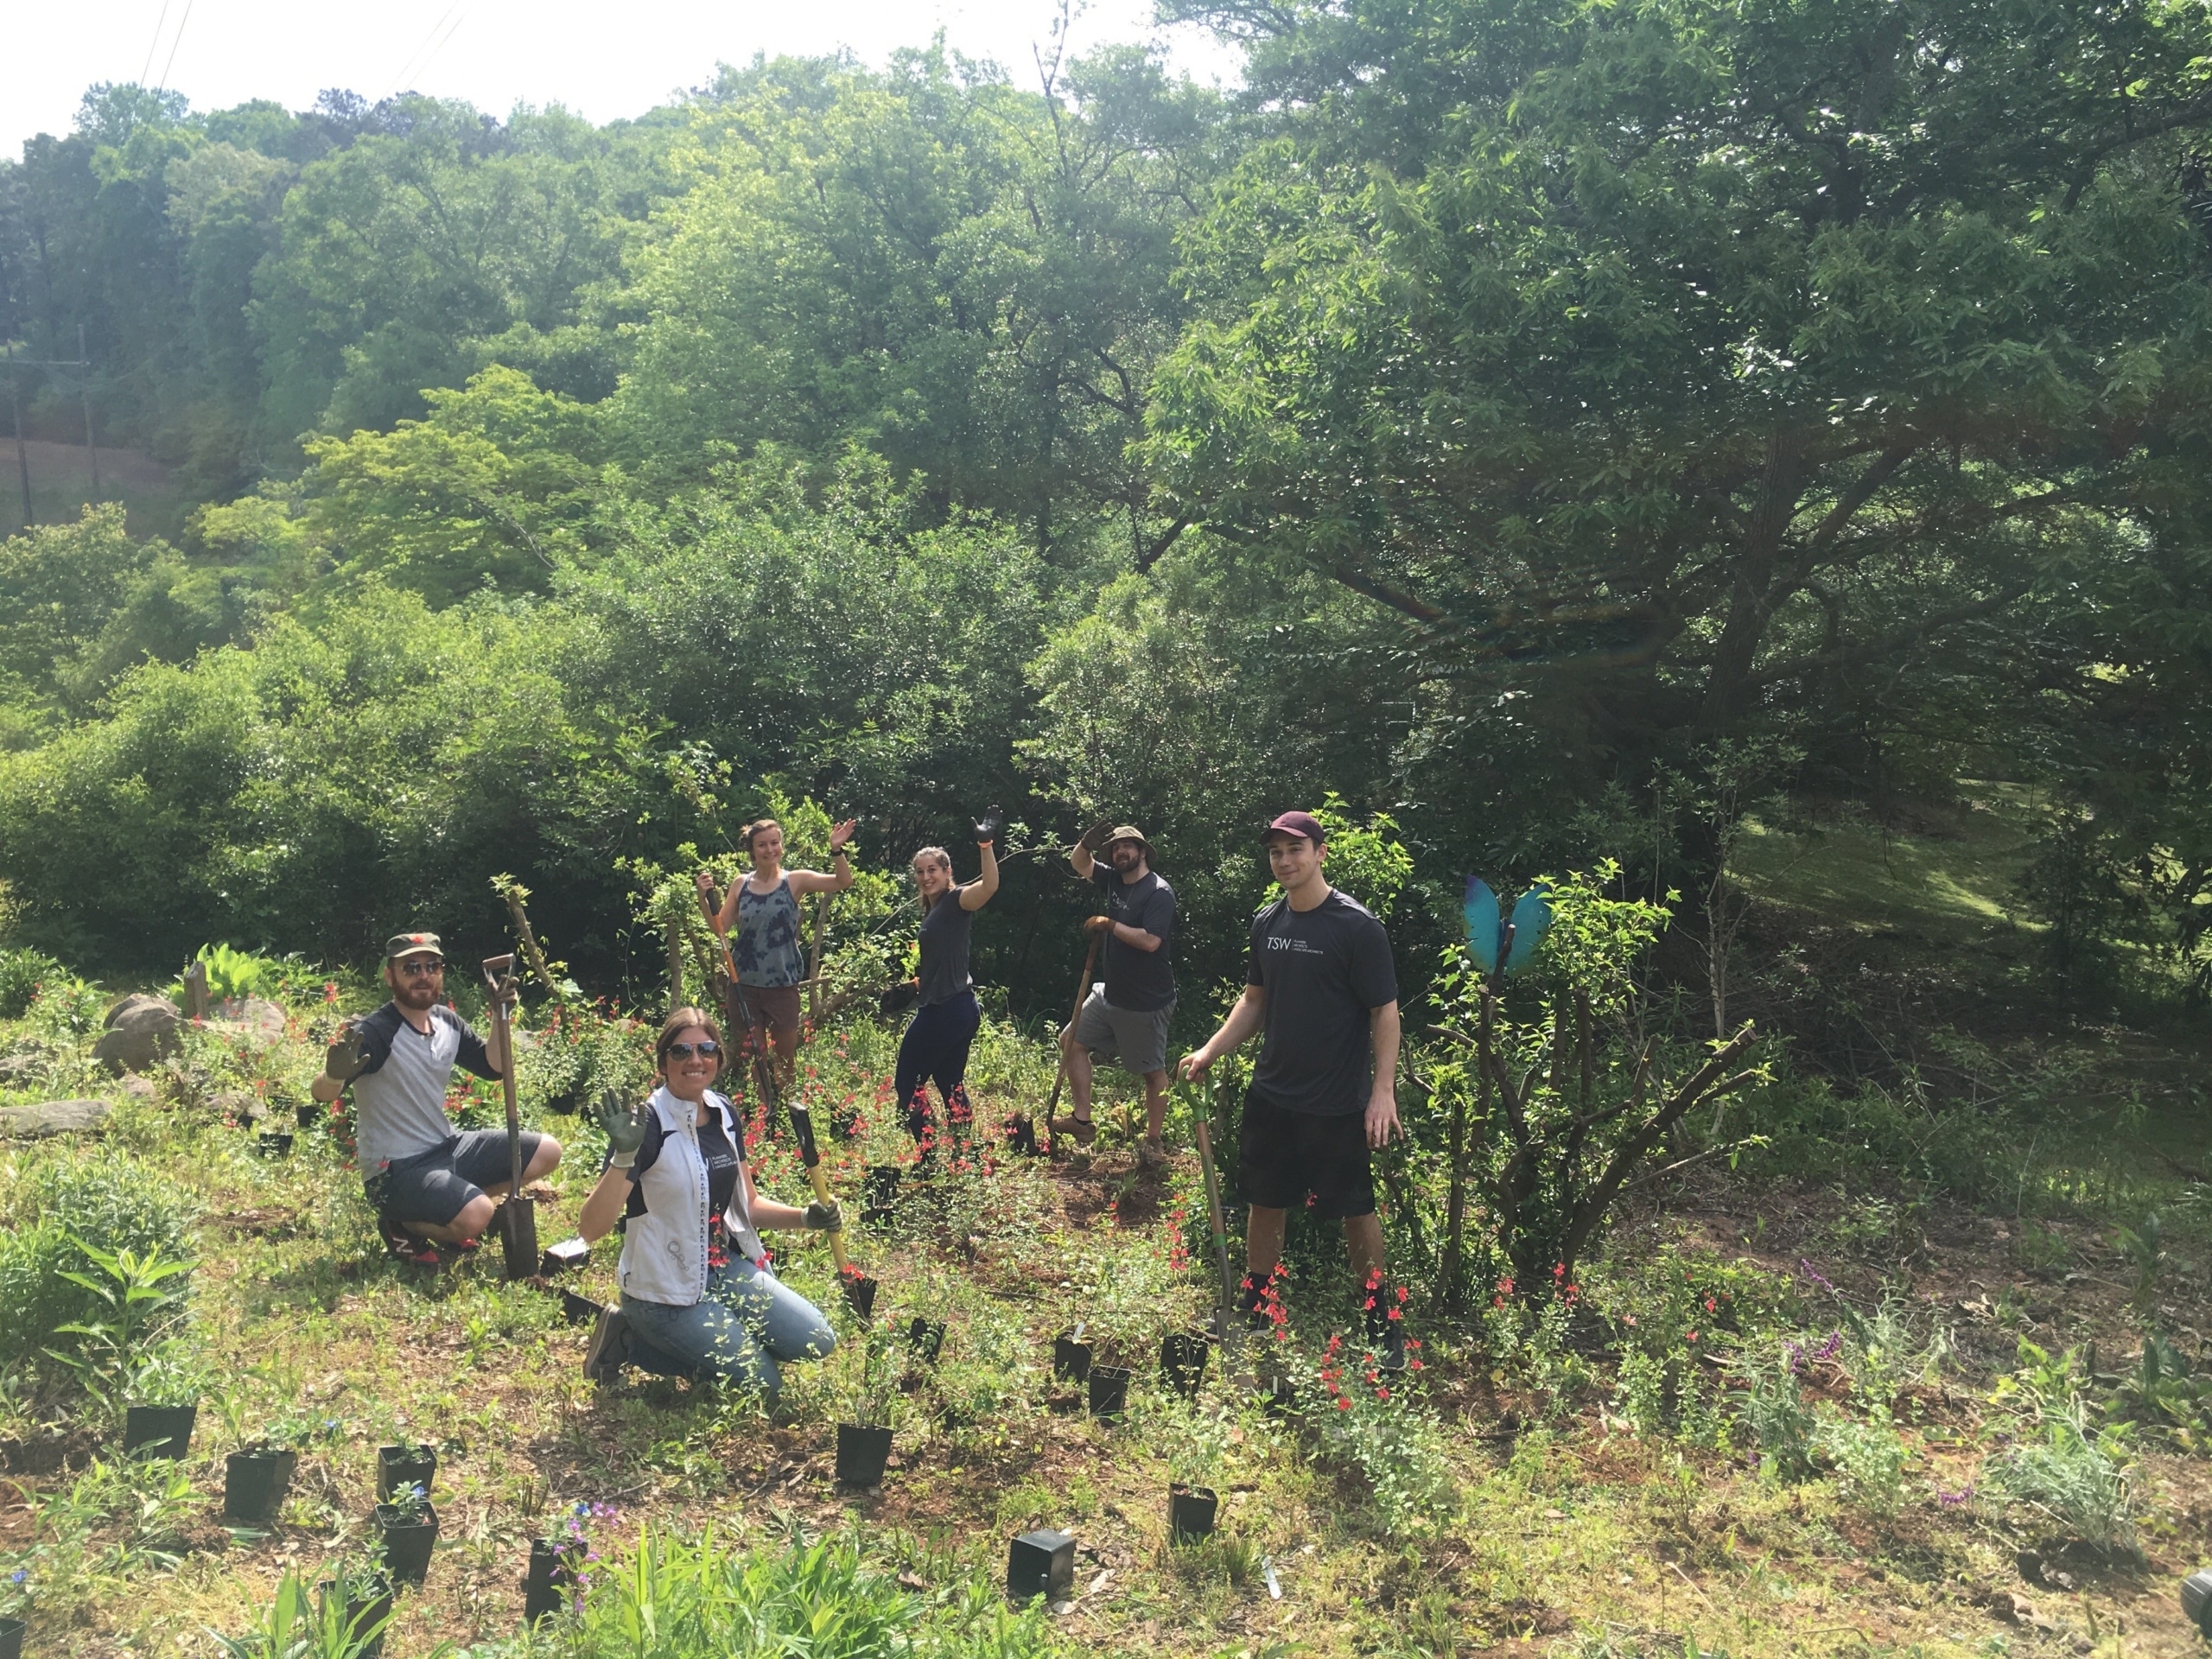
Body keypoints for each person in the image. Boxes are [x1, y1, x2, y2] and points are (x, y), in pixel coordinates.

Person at [1178, 811, 1408, 1366]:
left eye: (1295, 849)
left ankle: (1380, 1319)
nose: (1285, 860)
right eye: (1276, 852)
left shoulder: (1356, 927)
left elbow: (1385, 1010)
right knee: (1265, 1201)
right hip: (1273, 1094)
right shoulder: (1268, 923)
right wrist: (1211, 1049)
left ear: (1321, 853)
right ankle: (1257, 1305)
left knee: (1356, 1208)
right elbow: (1254, 1001)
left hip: (1336, 1102)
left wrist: (1383, 1091)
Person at [576, 1007, 842, 1393]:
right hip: (663, 1294)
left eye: (707, 1049)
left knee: (818, 1339)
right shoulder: (645, 1126)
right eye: (681, 1051)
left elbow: (748, 1205)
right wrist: (622, 1157)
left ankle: (717, 1339)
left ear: (719, 1057)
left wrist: (805, 1217)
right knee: (766, 1385)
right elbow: (590, 1228)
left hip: (722, 1269)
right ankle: (628, 1341)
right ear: (663, 1063)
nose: (695, 1060)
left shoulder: (722, 1112)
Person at [314, 931, 563, 1268]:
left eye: (432, 966)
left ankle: (451, 1208)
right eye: (411, 968)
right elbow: (321, 1094)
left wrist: (498, 1015)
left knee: (547, 1151)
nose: (423, 975)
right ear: (390, 976)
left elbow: (494, 1067)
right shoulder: (378, 1032)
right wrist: (332, 1076)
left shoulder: (446, 1021)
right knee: (480, 1214)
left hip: (446, 1148)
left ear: (441, 973)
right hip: (395, 1169)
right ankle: (401, 1223)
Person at [695, 817, 857, 1090]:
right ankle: (766, 1112)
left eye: (774, 843)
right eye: (762, 845)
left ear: (781, 845)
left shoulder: (795, 881)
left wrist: (836, 850)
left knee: (786, 1058)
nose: (770, 849)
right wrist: (703, 897)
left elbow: (843, 881)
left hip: (783, 984)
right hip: (743, 983)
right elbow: (720, 928)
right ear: (752, 850)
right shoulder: (740, 885)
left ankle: (788, 1115)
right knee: (756, 1058)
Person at [1055, 823, 1177, 1166]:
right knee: (1071, 1041)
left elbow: (1151, 941)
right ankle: (1082, 1120)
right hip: (1110, 993)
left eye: (1128, 846)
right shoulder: (1112, 879)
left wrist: (1109, 924)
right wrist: (1085, 843)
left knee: (1152, 1072)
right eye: (1115, 847)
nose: (1121, 852)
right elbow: (1080, 863)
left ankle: (1153, 1140)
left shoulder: (1158, 892)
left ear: (1142, 851)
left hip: (1145, 1002)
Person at [895, 814, 1002, 1157]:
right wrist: (913, 987)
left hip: (947, 1010)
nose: (926, 877)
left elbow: (989, 887)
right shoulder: (934, 909)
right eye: (921, 871)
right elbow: (943, 962)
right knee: (949, 1083)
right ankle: (963, 1152)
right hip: (957, 1008)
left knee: (907, 1083)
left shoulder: (956, 902)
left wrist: (985, 845)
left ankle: (928, 1154)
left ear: (947, 872)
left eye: (933, 871)